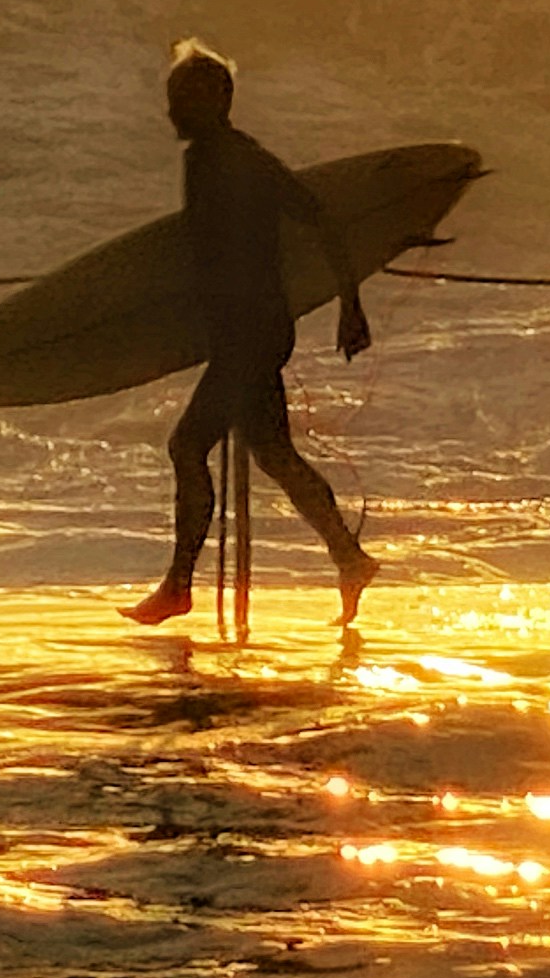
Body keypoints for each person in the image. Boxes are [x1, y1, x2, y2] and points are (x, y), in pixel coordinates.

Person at [121, 43, 381, 629]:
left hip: (250, 335)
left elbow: (321, 218)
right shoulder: (211, 159)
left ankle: (178, 586)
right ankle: (349, 557)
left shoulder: (238, 160)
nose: (170, 114)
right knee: (274, 453)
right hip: (246, 332)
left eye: (180, 101)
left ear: (215, 101)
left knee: (187, 446)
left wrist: (351, 304)